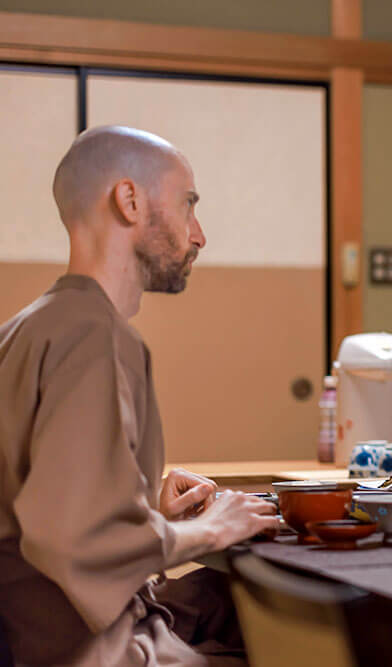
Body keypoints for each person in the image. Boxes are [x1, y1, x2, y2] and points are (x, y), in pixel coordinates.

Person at [0, 126, 279, 665]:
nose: (198, 235)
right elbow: (71, 540)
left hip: (36, 626)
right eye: (188, 206)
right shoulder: (94, 333)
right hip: (94, 650)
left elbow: (39, 505)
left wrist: (146, 511)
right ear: (129, 201)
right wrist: (210, 528)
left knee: (232, 598)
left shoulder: (25, 328)